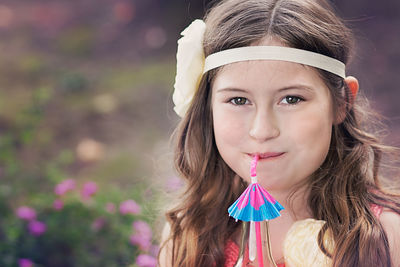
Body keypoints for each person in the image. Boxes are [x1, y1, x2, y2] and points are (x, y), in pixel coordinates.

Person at [159, 0, 400, 266]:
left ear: (341, 102)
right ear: (207, 108)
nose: (262, 131)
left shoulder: (387, 239)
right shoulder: (188, 239)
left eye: (291, 99)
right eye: (239, 100)